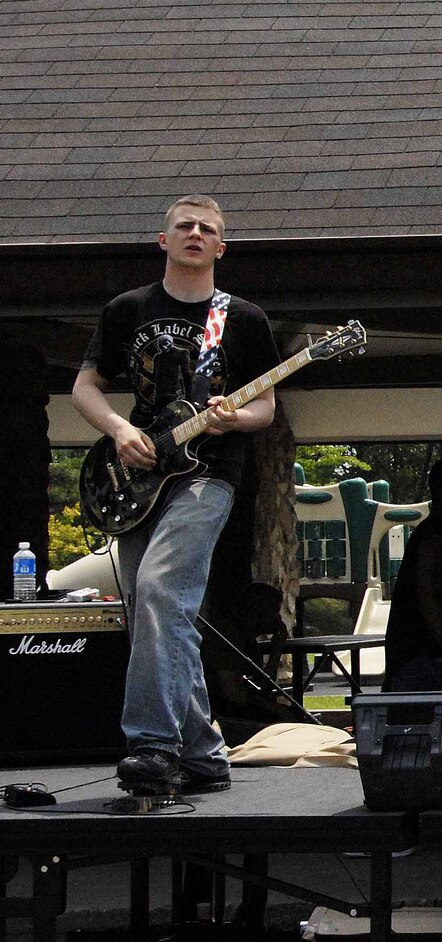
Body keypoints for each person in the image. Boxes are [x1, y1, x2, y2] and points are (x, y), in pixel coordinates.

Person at [72, 195, 281, 796]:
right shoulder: (128, 309)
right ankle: (206, 755)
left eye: (207, 228)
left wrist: (234, 418)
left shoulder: (242, 319)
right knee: (153, 608)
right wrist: (120, 431)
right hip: (138, 476)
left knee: (162, 589)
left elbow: (266, 407)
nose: (195, 233)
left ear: (221, 247)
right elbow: (85, 387)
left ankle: (154, 745)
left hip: (208, 474)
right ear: (163, 240)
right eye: (184, 226)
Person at [384, 457, 442, 692]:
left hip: (419, 659)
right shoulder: (437, 537)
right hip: (422, 660)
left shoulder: (436, 533)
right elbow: (429, 598)